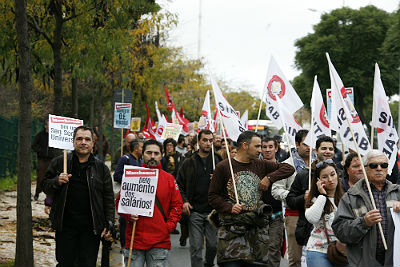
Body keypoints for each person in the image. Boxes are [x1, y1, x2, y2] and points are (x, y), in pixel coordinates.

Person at [208, 131, 295, 266]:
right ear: (245, 145)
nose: (260, 150)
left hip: (256, 234)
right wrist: (229, 207)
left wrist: (269, 178)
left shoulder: (261, 164)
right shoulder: (224, 167)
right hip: (232, 233)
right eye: (257, 146)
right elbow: (212, 196)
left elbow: (289, 168)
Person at [42, 125, 115, 267]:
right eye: (79, 139)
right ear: (73, 141)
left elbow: (108, 198)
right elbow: (45, 185)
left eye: (87, 139)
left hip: (91, 229)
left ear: (93, 143)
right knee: (65, 263)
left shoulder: (101, 168)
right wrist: (57, 181)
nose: (83, 142)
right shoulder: (59, 162)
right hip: (66, 227)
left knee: (87, 264)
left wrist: (109, 223)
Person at [116, 139, 183, 267]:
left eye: (156, 153)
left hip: (159, 241)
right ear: (142, 154)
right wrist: (128, 215)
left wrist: (168, 226)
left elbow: (177, 205)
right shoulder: (132, 176)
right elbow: (120, 202)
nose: (152, 156)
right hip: (135, 240)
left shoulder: (169, 179)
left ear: (161, 155)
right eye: (149, 152)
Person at [332, 150, 400, 267]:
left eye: (383, 165)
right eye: (374, 165)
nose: (379, 168)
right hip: (363, 262)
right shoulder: (351, 196)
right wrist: (363, 223)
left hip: (394, 260)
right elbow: (340, 231)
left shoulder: (398, 192)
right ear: (365, 169)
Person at [177, 129, 223, 267]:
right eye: (205, 140)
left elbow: (229, 183)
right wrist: (184, 201)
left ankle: (208, 264)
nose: (208, 143)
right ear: (198, 142)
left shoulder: (218, 160)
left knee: (213, 246)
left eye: (210, 140)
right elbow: (178, 184)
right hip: (195, 210)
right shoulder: (188, 162)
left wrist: (218, 179)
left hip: (212, 211)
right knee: (196, 246)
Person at [272, 129, 314, 267]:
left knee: (315, 256)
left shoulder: (318, 165)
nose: (309, 147)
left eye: (311, 144)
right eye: (305, 144)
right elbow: (276, 190)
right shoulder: (287, 165)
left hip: (316, 216)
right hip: (294, 215)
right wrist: (293, 196)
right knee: (296, 259)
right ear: (297, 144)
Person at [286, 136, 336, 247]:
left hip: (336, 233)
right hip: (308, 231)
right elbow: (290, 200)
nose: (327, 151)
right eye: (324, 148)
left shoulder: (339, 175)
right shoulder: (304, 175)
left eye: (331, 149)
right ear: (316, 151)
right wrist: (303, 198)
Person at [304, 159, 344, 267]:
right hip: (318, 249)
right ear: (318, 180)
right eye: (324, 177)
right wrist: (323, 195)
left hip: (341, 250)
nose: (330, 179)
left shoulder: (346, 199)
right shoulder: (315, 199)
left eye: (332, 174)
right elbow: (311, 218)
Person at [113, 139, 144, 251]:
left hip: (138, 196)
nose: (143, 150)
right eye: (141, 147)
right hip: (127, 194)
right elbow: (116, 175)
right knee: (124, 220)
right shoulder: (125, 159)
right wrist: (131, 181)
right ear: (135, 148)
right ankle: (124, 244)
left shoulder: (141, 161)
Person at [260, 137, 284, 267]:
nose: (267, 150)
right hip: (258, 215)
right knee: (259, 249)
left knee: (274, 248)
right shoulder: (255, 168)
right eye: (264, 147)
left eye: (270, 147)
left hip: (277, 215)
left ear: (276, 148)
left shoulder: (283, 168)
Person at [31, 119, 62, 201]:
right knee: (40, 176)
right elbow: (34, 145)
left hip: (51, 159)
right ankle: (37, 193)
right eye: (48, 124)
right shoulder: (40, 135)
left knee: (50, 176)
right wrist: (40, 151)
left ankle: (49, 195)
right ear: (45, 126)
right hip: (42, 159)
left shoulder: (54, 136)